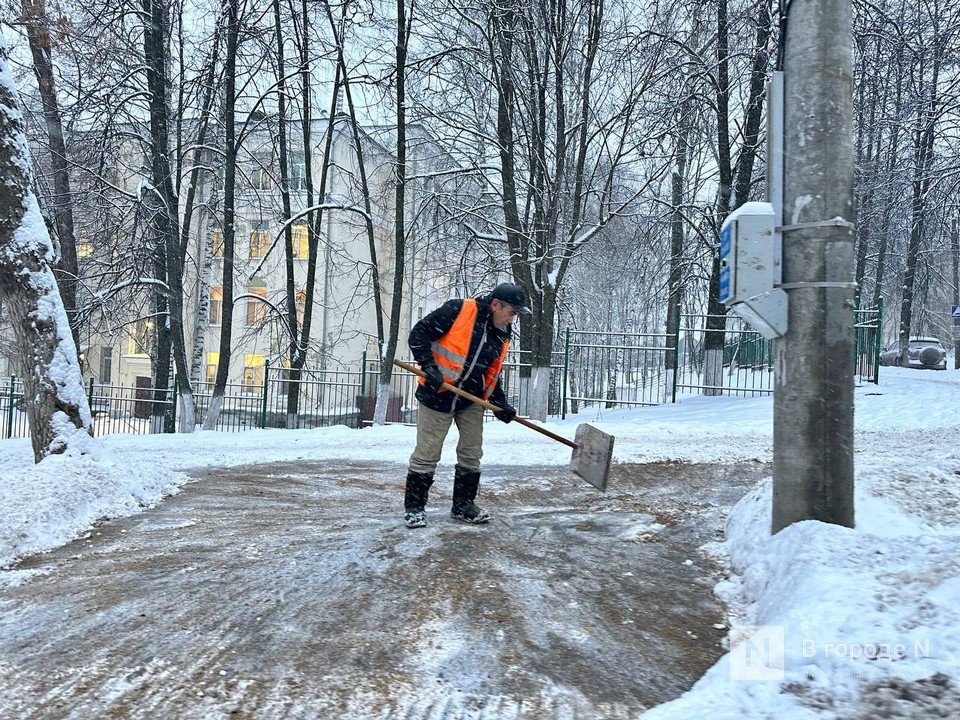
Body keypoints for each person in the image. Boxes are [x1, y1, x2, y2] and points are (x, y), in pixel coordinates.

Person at [402, 282, 531, 528]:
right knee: (427, 453)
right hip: (437, 393)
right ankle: (415, 507)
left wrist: (499, 402)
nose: (512, 319)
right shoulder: (460, 310)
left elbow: (491, 372)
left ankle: (463, 505)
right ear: (495, 304)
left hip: (470, 400)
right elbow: (419, 333)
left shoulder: (502, 334)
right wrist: (429, 366)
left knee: (472, 453)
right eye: (511, 312)